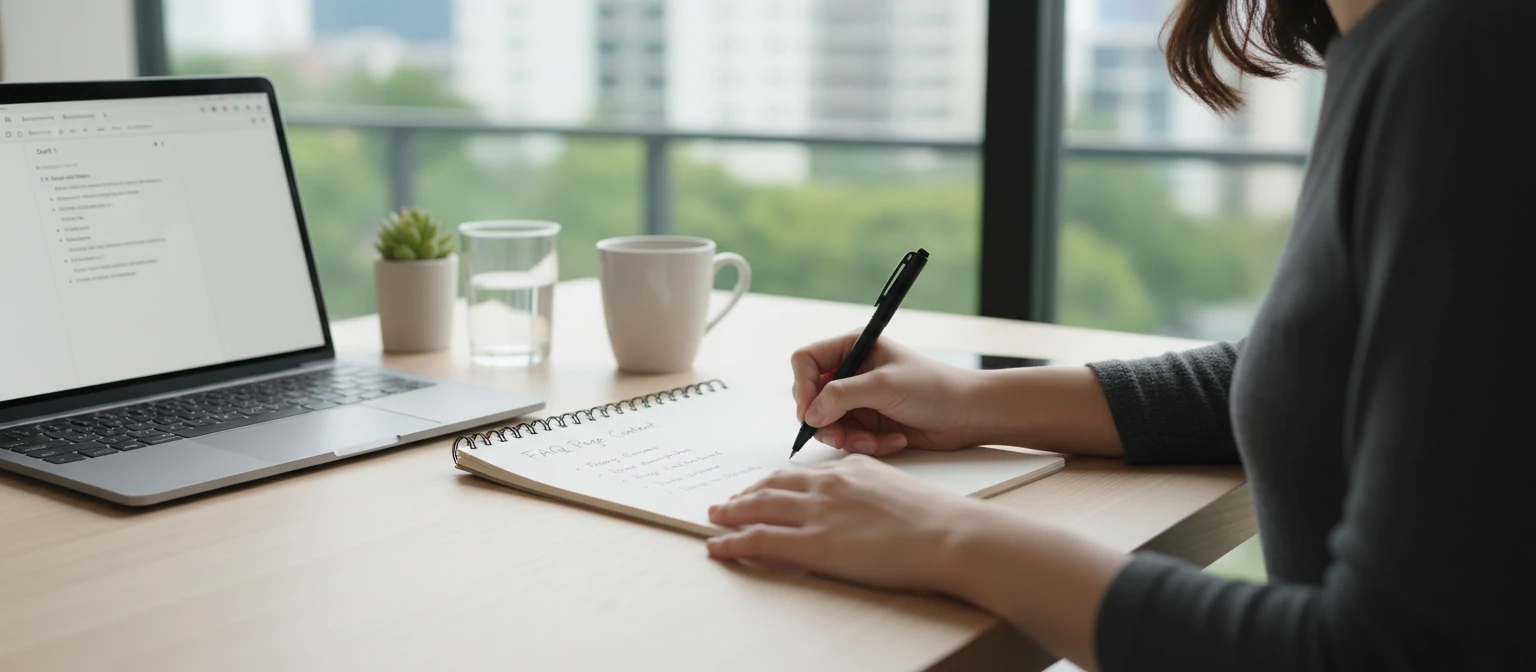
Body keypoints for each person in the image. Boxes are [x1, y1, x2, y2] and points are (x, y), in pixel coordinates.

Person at [705, 0, 1535, 669]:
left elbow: (1394, 652)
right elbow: (1331, 370)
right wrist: (972, 401)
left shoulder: (1468, 57)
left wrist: (948, 536)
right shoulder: (1396, 39)